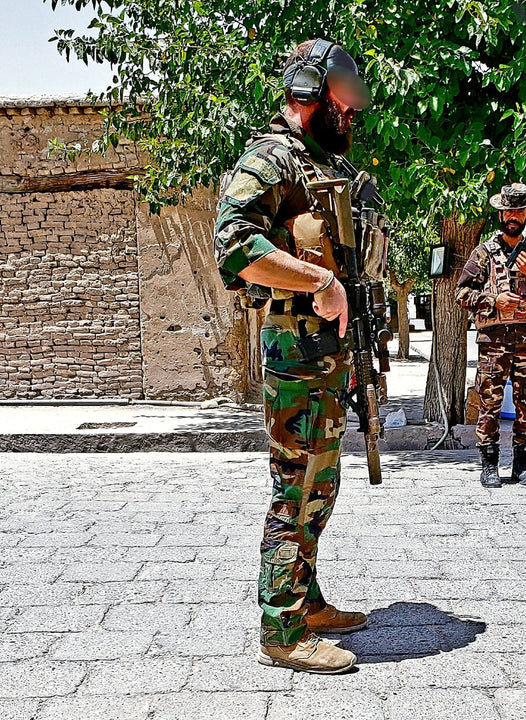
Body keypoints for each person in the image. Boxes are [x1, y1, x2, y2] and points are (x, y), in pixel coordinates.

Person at [213, 39, 376, 674]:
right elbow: (234, 247)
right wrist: (320, 283)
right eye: (345, 103)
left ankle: (305, 603)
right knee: (294, 489)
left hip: (329, 356)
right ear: (311, 91)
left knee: (322, 487)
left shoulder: (315, 162)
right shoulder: (269, 158)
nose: (353, 116)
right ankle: (281, 630)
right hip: (295, 352)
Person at [455, 183, 526, 488]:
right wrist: (493, 301)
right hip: (494, 342)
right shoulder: (484, 253)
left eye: (520, 210)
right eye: (509, 210)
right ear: (501, 213)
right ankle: (489, 465)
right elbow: (461, 293)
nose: (514, 216)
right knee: (490, 400)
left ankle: (522, 465)